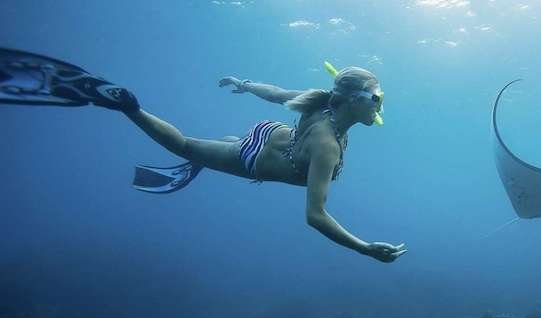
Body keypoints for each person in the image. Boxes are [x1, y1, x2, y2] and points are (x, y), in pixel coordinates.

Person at [0, 47, 407, 263]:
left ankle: (219, 149)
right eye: (376, 97)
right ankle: (128, 106)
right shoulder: (327, 145)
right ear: (352, 101)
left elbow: (277, 94)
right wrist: (364, 247)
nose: (380, 105)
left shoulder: (320, 107)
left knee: (227, 145)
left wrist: (243, 83)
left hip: (269, 136)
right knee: (186, 146)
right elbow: (315, 215)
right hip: (259, 159)